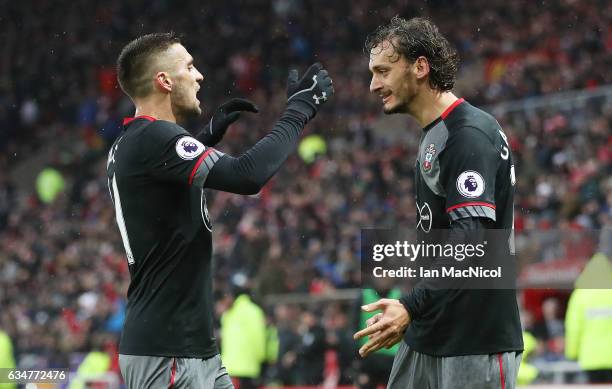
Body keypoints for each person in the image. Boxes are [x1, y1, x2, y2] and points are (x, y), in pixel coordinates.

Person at [108, 32, 333, 388]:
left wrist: (206, 138)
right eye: (190, 66)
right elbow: (248, 176)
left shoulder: (131, 143)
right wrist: (299, 110)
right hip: (168, 351)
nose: (199, 76)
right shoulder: (153, 139)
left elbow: (161, 190)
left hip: (193, 349)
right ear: (164, 81)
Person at [353, 17, 523, 389]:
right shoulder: (438, 134)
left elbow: (472, 242)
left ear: (419, 66)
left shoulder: (468, 135)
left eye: (383, 70)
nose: (373, 84)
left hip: (474, 338)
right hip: (430, 332)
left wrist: (410, 305)